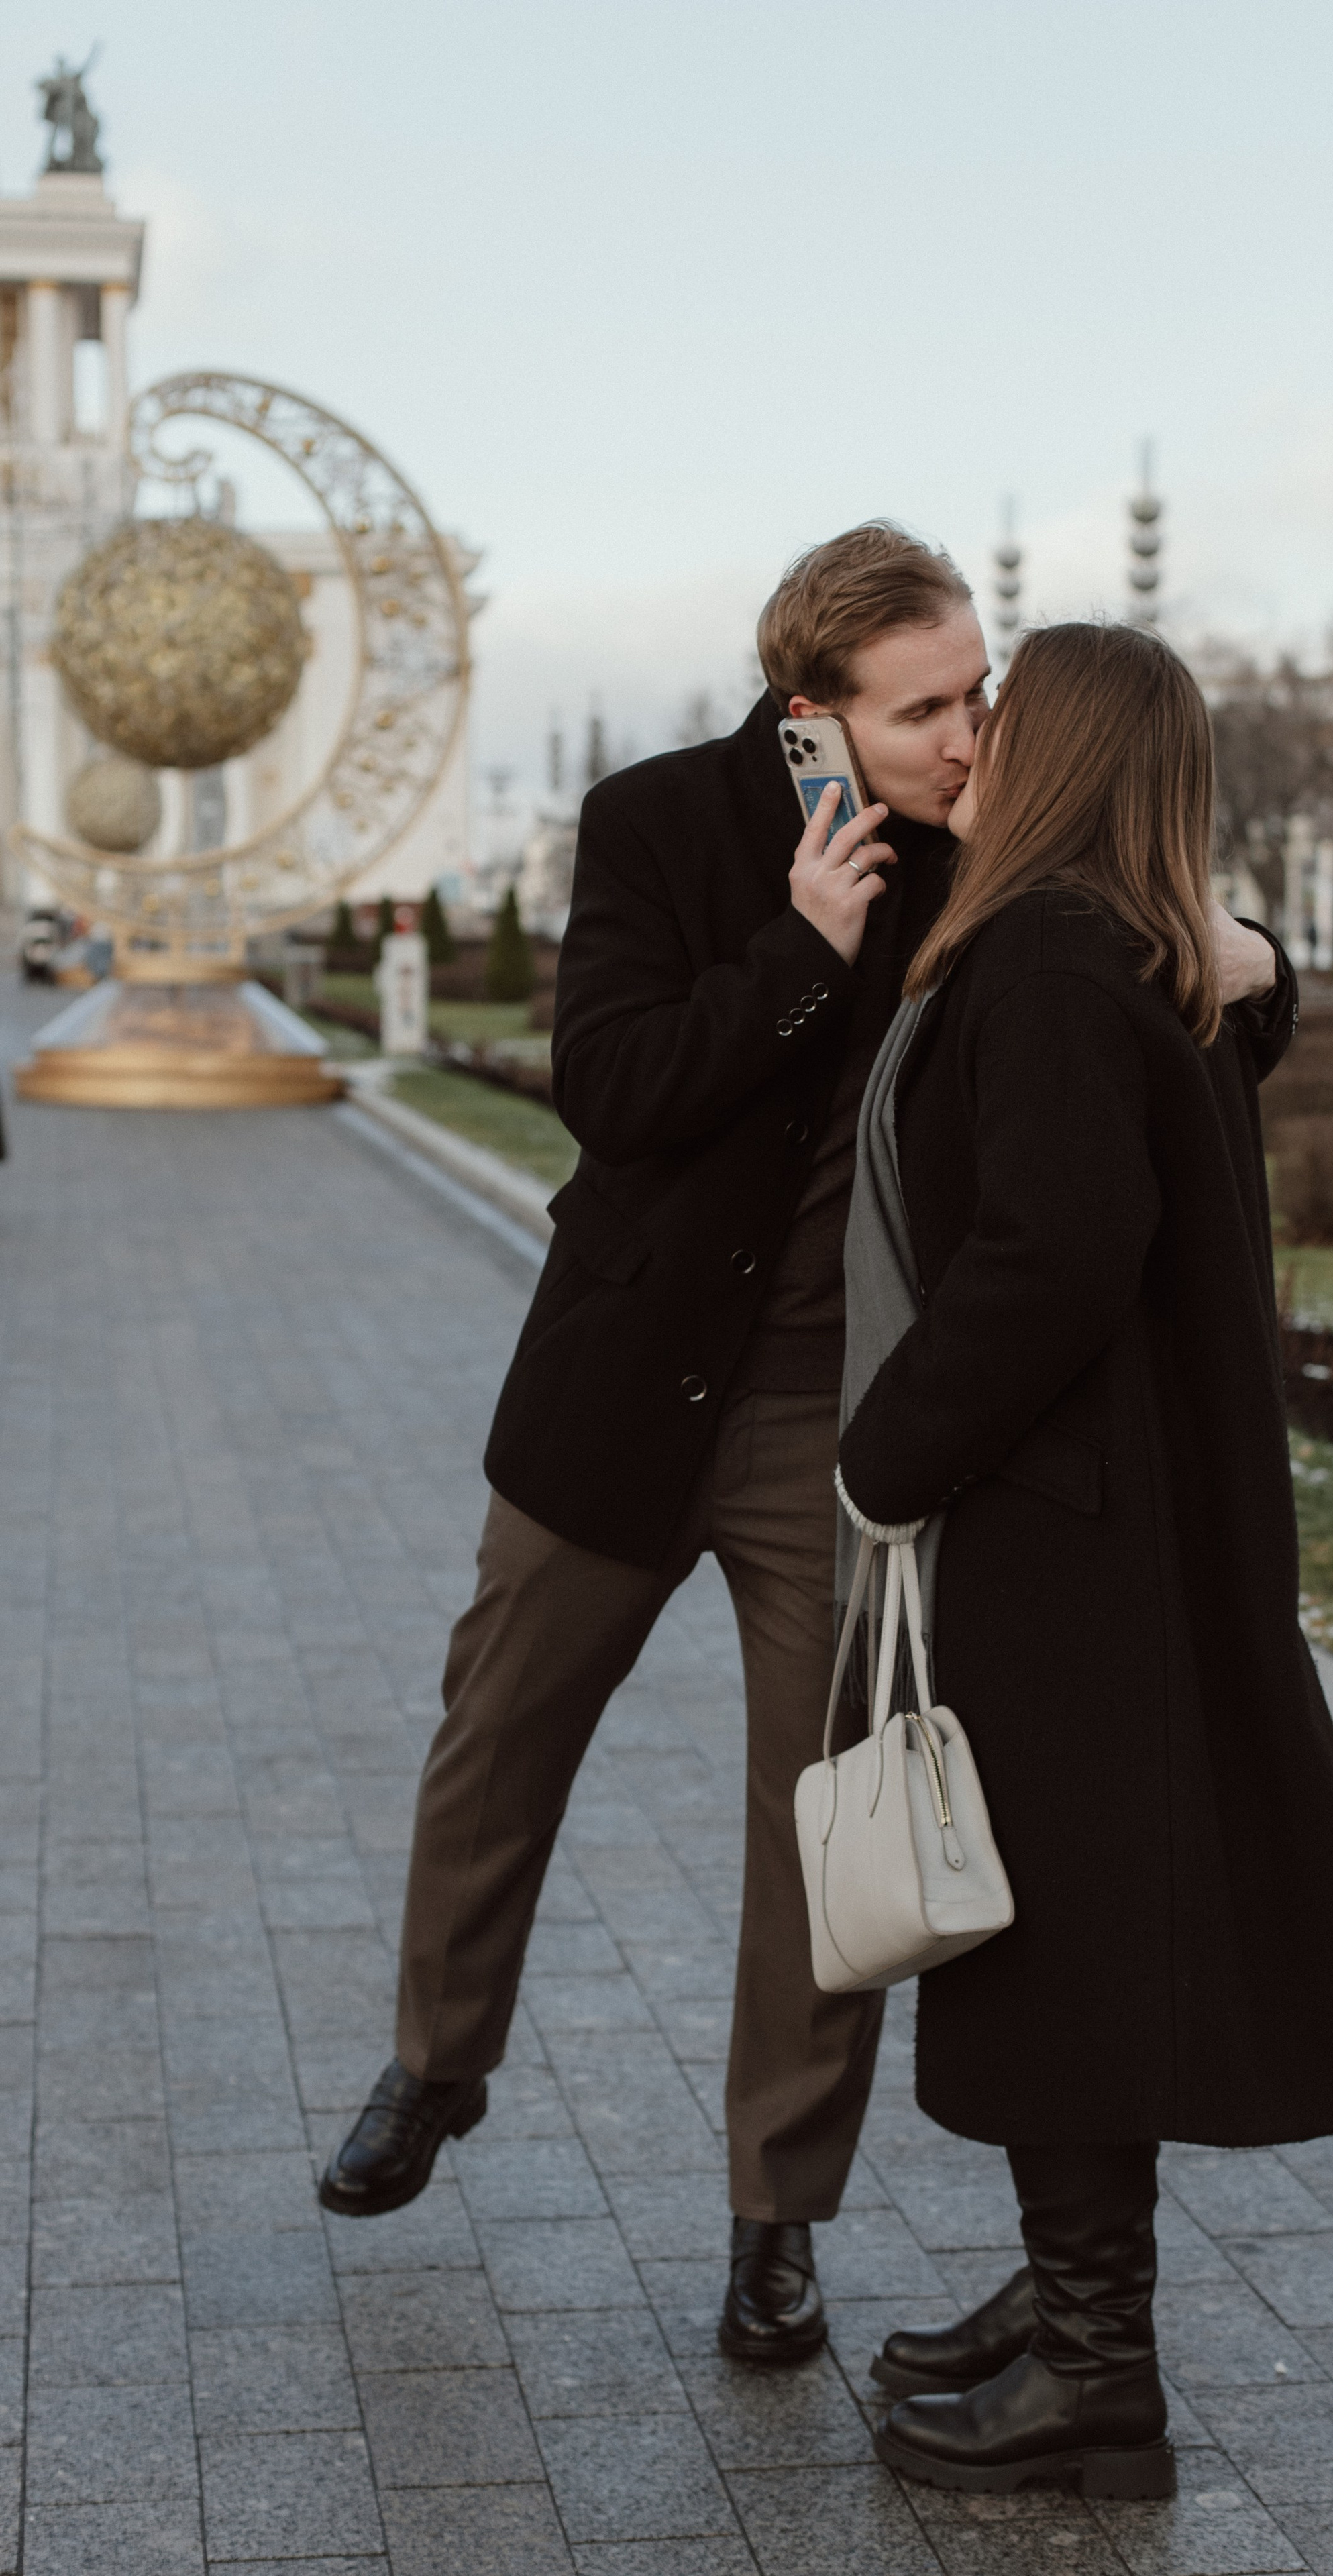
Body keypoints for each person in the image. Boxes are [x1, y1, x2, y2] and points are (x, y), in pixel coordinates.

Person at [318, 523, 992, 2364]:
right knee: (498, 1732)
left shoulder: (989, 851)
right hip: (622, 1389)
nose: (968, 734)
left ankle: (779, 2219)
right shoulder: (656, 824)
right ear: (812, 716)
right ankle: (435, 2063)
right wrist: (802, 950)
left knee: (824, 1828)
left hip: (832, 1431)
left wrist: (1258, 975)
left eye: (979, 692)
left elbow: (1136, 993)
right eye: (927, 708)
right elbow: (611, 1092)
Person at [834, 621, 1333, 2495]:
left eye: (999, 717)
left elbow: (1053, 1252)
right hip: (1125, 1520)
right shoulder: (1132, 951)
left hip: (1068, 1535)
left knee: (1068, 1946)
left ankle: (1100, 2371)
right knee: (1081, 1932)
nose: (972, 743)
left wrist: (885, 1453)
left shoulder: (1050, 959)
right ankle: (1069, 2300)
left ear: (1069, 753)